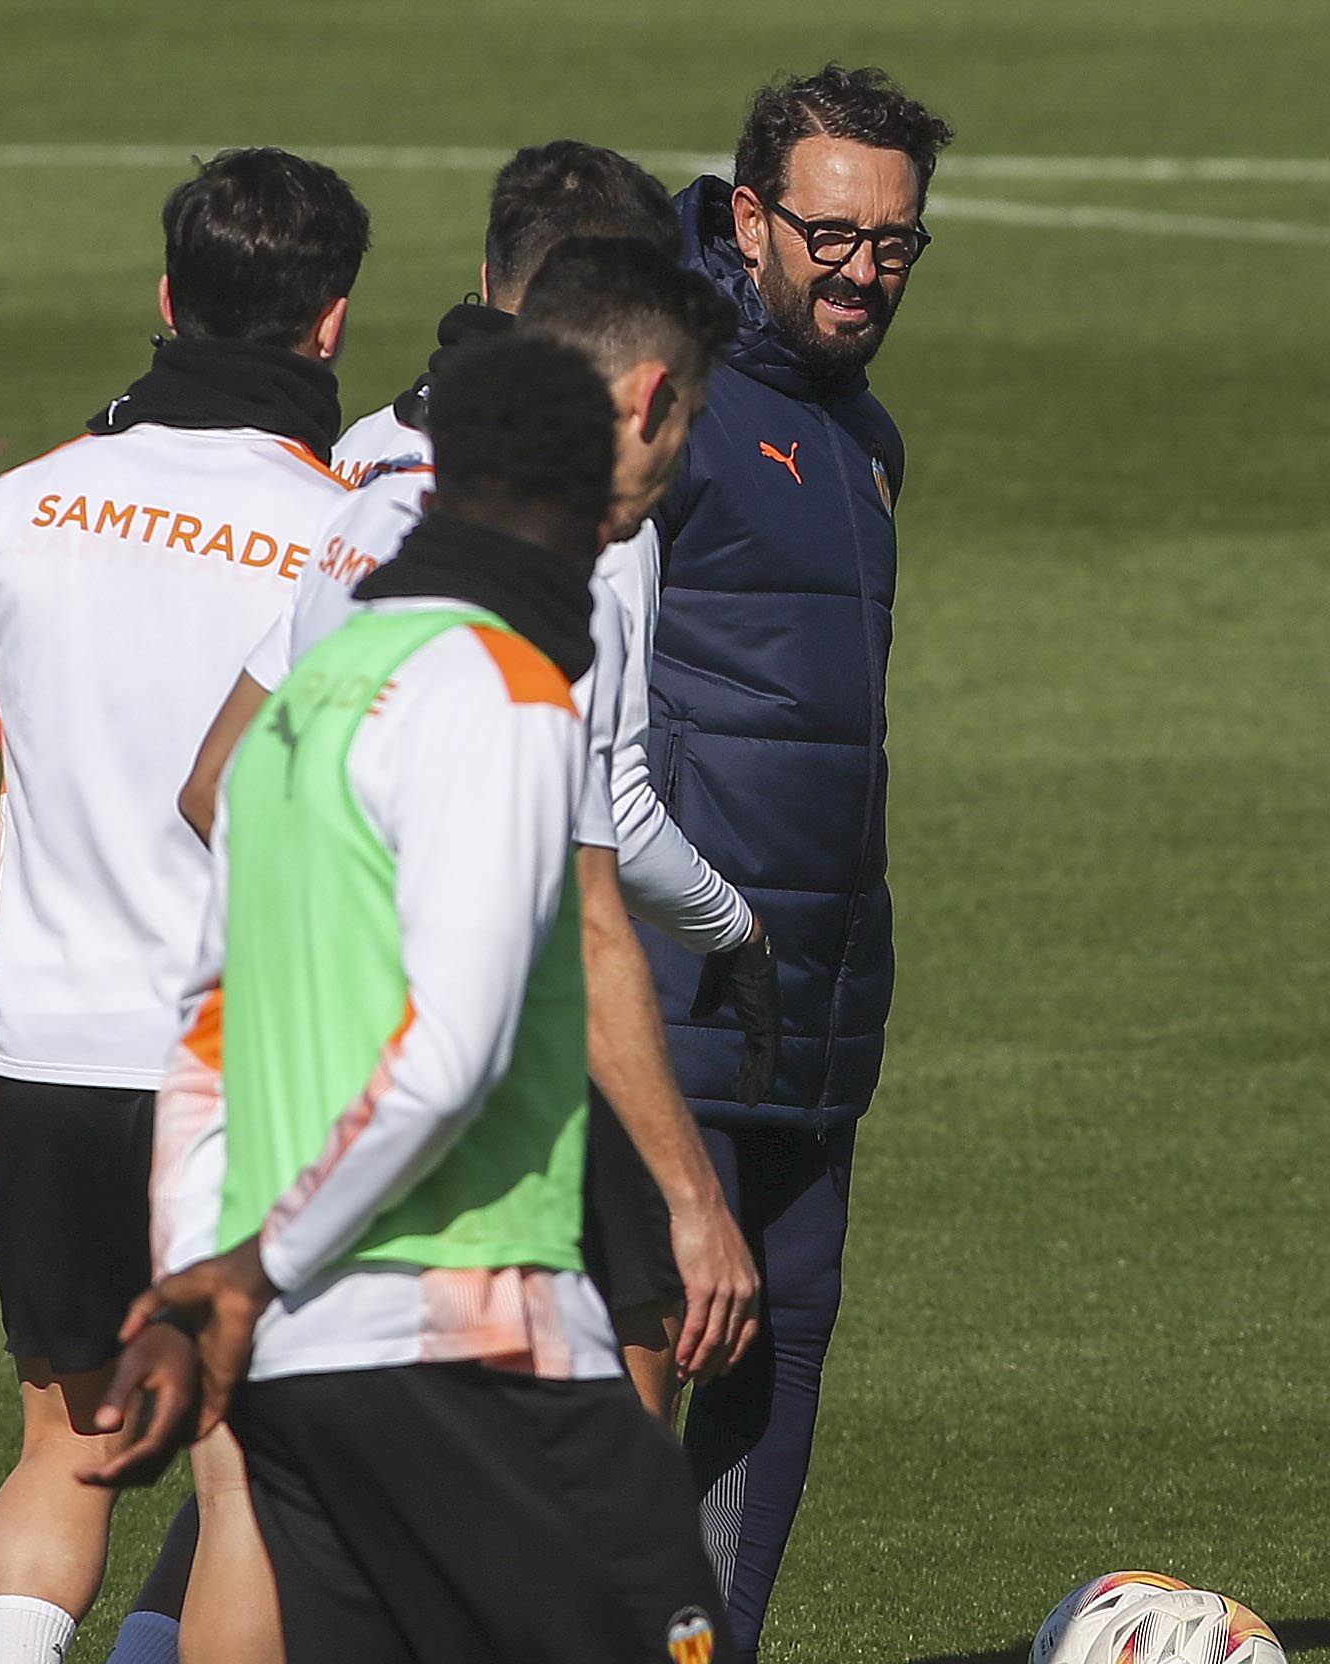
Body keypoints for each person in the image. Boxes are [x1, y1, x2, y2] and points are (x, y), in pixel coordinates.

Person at [83, 332, 732, 1664]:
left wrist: (199, 1291)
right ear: (620, 444)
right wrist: (245, 1273)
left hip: (299, 1377)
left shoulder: (308, 702)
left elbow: (208, 1039)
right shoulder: (503, 687)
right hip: (472, 1346)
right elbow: (450, 1052)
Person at [181, 145, 775, 1414]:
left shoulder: (359, 492)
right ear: (642, 392)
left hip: (274, 1124)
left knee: (274, 1533)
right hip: (462, 1209)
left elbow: (215, 790)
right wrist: (691, 1185)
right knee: (624, 1541)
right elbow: (582, 895)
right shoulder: (537, 639)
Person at [0, 147, 369, 1664]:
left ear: (165, 301)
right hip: (242, 1073)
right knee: (243, 1483)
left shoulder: (20, 505)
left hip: (55, 1059)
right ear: (334, 324)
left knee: (69, 1439)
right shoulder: (337, 530)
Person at [640, 66, 954, 1661]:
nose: (862, 271)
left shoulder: (866, 436)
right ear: (750, 216)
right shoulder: (658, 393)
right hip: (667, 979)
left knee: (784, 1349)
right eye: (830, 234)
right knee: (626, 1361)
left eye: (895, 244)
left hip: (816, 989)